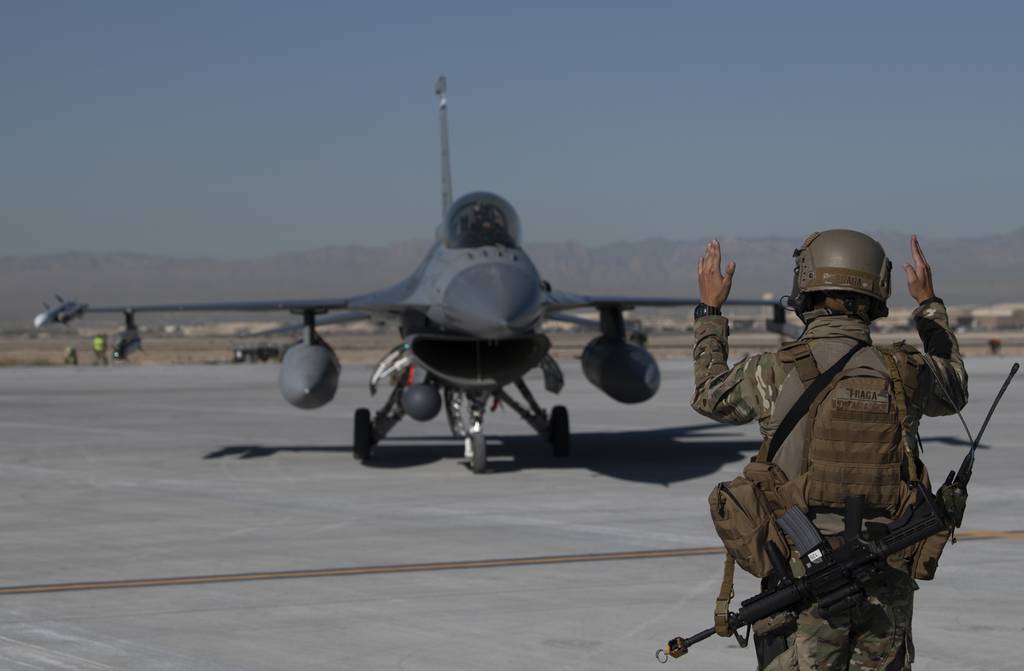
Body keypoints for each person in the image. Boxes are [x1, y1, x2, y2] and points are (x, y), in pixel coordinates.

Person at [691, 231, 968, 671]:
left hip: (799, 575)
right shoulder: (906, 372)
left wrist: (710, 312)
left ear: (805, 287)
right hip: (885, 574)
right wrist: (929, 305)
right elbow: (956, 385)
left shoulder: (774, 372)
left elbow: (709, 394)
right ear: (879, 291)